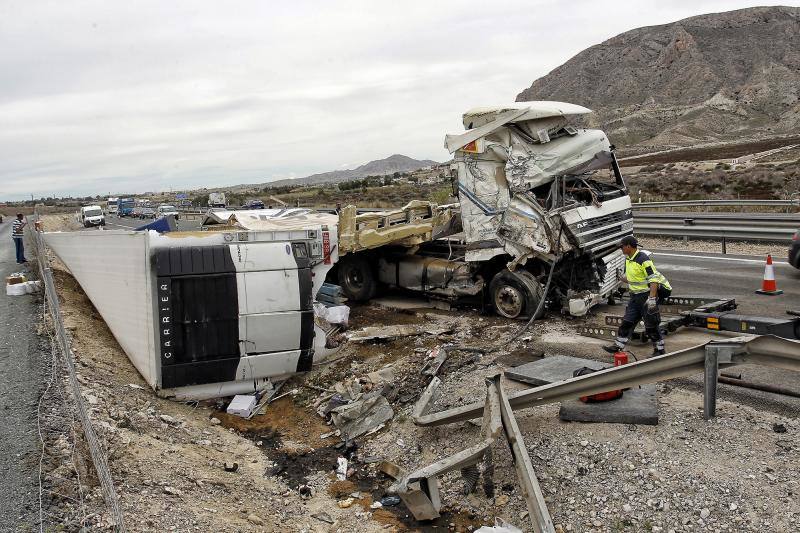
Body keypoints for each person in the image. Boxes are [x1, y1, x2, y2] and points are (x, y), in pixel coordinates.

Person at [604, 235, 671, 356]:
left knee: (651, 325)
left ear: (629, 246)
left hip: (647, 296)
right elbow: (634, 279)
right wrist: (620, 278)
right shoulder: (629, 259)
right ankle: (618, 346)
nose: (621, 249)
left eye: (622, 247)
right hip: (635, 297)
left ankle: (659, 350)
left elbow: (654, 280)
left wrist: (651, 300)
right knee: (627, 321)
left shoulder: (643, 259)